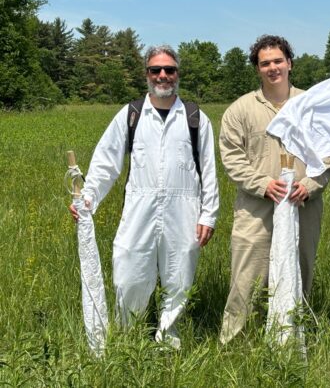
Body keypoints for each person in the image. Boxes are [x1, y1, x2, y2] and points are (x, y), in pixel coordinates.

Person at [69, 45, 219, 349]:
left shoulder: (195, 118)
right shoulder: (131, 114)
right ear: (146, 74)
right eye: (156, 70)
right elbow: (106, 161)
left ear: (178, 74)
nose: (163, 75)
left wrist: (209, 214)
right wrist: (88, 199)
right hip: (140, 207)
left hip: (184, 209)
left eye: (169, 70)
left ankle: (169, 340)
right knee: (129, 274)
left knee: (179, 277)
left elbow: (208, 169)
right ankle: (130, 338)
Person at [219, 34, 330, 344]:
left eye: (278, 61)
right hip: (256, 209)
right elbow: (232, 158)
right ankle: (236, 346)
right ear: (257, 69)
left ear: (290, 63)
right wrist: (263, 184)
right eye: (265, 63)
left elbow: (327, 155)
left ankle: (295, 343)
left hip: (303, 207)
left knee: (299, 275)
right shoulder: (241, 110)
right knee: (247, 281)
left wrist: (309, 185)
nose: (273, 68)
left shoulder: (310, 106)